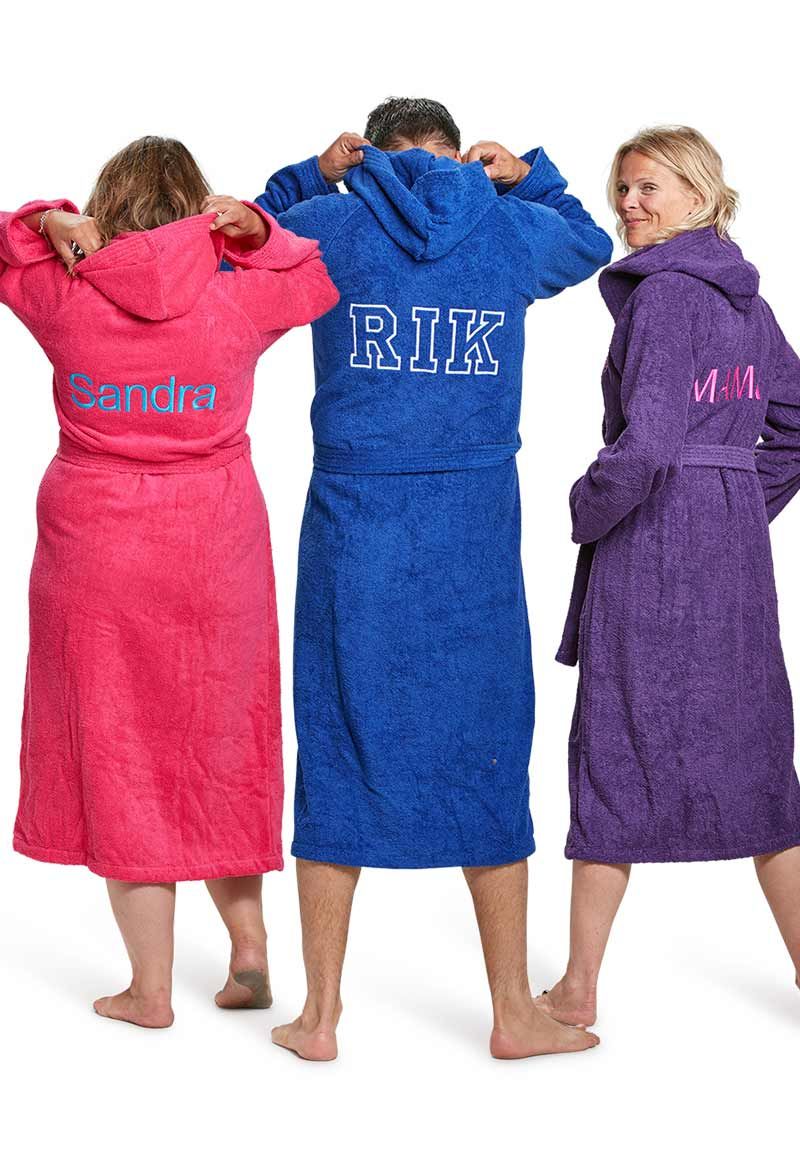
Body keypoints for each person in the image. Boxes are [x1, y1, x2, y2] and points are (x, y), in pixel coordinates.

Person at [253, 96, 612, 1060]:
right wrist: (525, 175)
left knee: (337, 742)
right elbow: (589, 242)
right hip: (471, 528)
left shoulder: (329, 224)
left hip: (354, 524)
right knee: (486, 746)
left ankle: (319, 1018)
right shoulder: (507, 227)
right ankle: (513, 1012)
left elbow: (236, 246)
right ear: (456, 152)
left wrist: (314, 175)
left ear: (371, 148)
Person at [1, 135, 338, 1028]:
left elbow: (3, 246)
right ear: (198, 207)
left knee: (120, 750)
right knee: (222, 738)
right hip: (215, 543)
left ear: (105, 205)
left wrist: (47, 220)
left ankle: (149, 990)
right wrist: (257, 231)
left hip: (96, 548)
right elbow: (315, 279)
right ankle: (249, 947)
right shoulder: (238, 294)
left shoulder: (64, 291)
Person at [538, 125, 800, 1030]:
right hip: (732, 560)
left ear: (699, 193)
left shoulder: (665, 295)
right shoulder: (745, 301)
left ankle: (578, 987)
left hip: (652, 550)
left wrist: (587, 505)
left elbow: (645, 443)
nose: (629, 204)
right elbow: (795, 423)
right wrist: (737, 499)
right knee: (759, 759)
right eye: (622, 188)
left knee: (615, 748)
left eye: (649, 187)